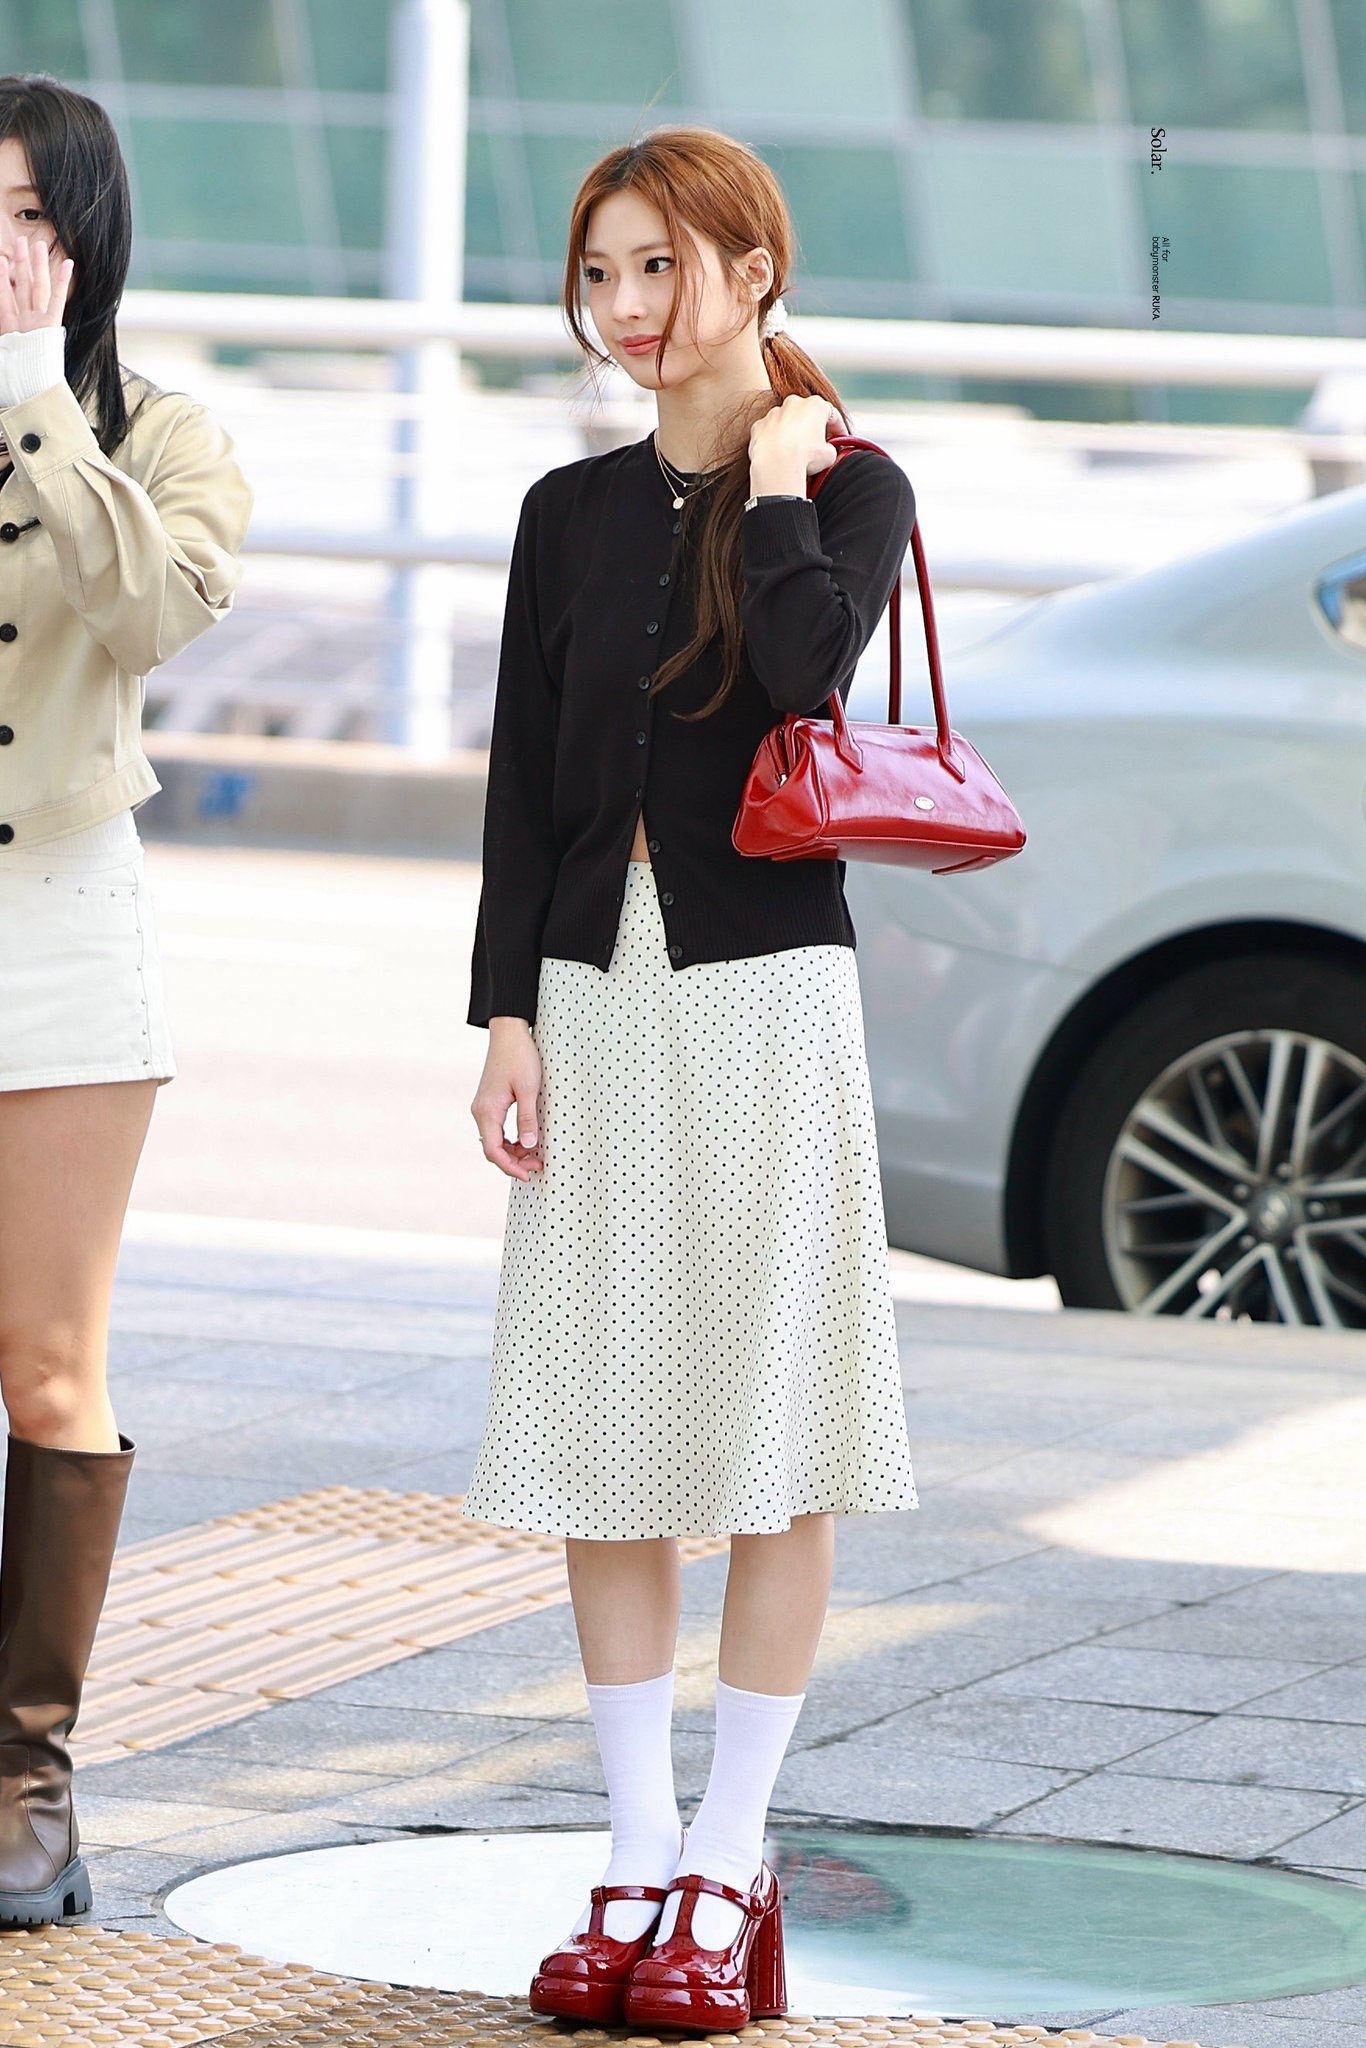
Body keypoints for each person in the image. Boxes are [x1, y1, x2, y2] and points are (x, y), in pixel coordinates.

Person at [466, 124, 918, 2034]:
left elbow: (806, 680)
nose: (626, 307)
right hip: (594, 993)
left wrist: (784, 487)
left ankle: (733, 1862)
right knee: (606, 1424)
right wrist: (503, 1012)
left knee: (770, 1426)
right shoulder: (563, 514)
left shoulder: (851, 482)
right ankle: (638, 1852)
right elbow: (519, 783)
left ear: (752, 268)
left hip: (764, 998)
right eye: (600, 273)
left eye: (659, 266)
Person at [0, 76, 252, 1926]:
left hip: (63, 917)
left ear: (82, 240)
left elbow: (150, 613)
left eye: (27, 215)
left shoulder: (165, 436)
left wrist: (32, 395)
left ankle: (27, 1789)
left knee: (45, 1362)